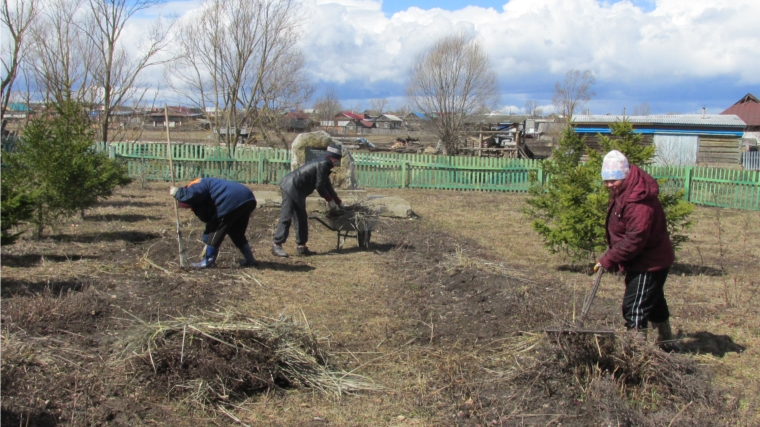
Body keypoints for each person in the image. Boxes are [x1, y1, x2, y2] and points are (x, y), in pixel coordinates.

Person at [594, 150, 675, 343]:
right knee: (653, 301)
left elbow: (635, 238)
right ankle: (667, 343)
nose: (609, 185)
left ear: (625, 175)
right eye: (606, 180)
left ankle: (636, 353)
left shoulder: (638, 200)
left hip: (649, 261)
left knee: (635, 308)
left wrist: (609, 259)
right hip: (641, 259)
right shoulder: (624, 190)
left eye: (614, 180)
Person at [272, 143, 345, 257]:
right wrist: (329, 200)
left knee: (301, 217)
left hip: (298, 190)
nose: (337, 162)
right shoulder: (324, 163)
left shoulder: (324, 162)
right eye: (337, 158)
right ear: (333, 156)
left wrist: (338, 201)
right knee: (287, 216)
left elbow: (327, 185)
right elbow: (320, 186)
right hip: (291, 186)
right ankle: (277, 245)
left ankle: (302, 246)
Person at [170, 178, 258, 269]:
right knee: (236, 233)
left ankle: (208, 261)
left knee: (216, 229)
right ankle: (250, 259)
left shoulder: (195, 184)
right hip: (247, 198)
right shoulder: (211, 189)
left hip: (230, 200)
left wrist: (178, 192)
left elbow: (193, 193)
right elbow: (209, 216)